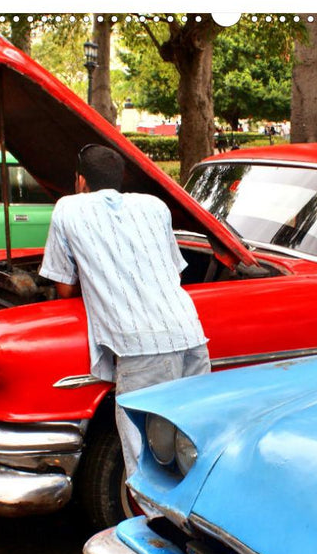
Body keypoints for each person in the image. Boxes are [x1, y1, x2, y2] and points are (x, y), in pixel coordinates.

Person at [39, 144, 210, 478]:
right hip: (190, 334)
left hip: (141, 346)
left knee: (146, 459)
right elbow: (173, 271)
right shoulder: (154, 205)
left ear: (80, 181)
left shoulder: (68, 208)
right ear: (121, 178)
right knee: (192, 447)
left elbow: (64, 288)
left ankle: (153, 526)